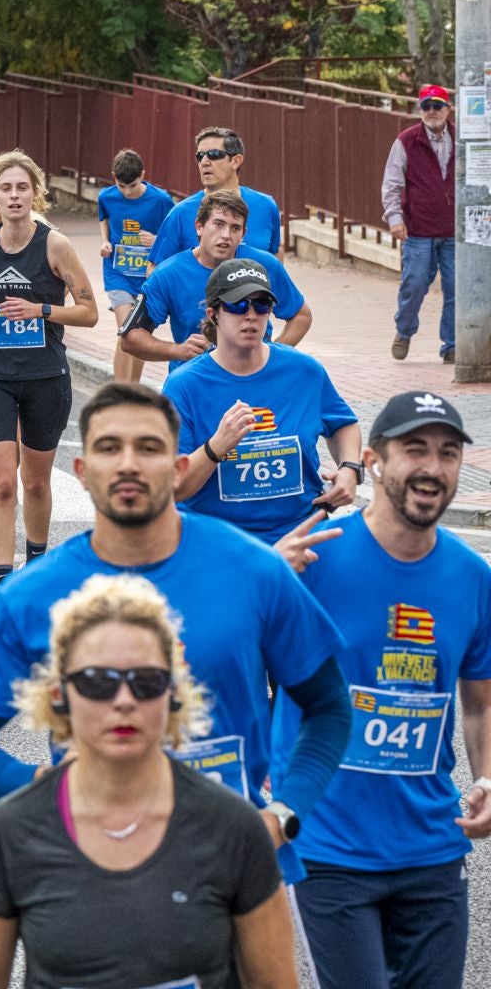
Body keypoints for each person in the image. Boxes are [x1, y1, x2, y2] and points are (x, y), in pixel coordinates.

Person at [0, 382, 354, 874]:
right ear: (82, 471)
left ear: (179, 468)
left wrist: (283, 815)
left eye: (149, 448)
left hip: (235, 867)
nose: (129, 464)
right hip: (97, 871)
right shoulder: (30, 596)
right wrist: (48, 787)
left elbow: (329, 709)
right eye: (109, 448)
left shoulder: (255, 570)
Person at [0, 572, 296, 989]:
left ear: (173, 695)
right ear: (59, 695)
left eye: (146, 681)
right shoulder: (11, 832)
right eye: (97, 682)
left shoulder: (234, 827)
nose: (124, 701)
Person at [272, 389, 491, 989]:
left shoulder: (473, 578)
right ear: (372, 461)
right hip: (328, 849)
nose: (432, 467)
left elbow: (480, 703)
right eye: (414, 449)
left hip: (433, 849)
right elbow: (220, 655)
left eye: (448, 453)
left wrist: (487, 779)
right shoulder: (312, 560)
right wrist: (265, 581)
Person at [0, 152, 99, 584]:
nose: (14, 196)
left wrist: (42, 309)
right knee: (1, 484)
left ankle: (34, 567)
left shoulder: (55, 245)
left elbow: (89, 312)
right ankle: (3, 587)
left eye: (22, 188)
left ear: (36, 194)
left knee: (34, 483)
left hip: (44, 377)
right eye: (6, 188)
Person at [161, 258, 361, 545]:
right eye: (237, 305)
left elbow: (343, 424)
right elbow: (174, 486)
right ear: (214, 314)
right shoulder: (184, 385)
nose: (251, 315)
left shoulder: (304, 371)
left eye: (262, 305)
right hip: (220, 543)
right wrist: (216, 447)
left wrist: (350, 468)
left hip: (301, 533)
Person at [118, 189, 310, 373]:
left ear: (243, 234)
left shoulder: (264, 265)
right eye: (218, 224)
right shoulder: (168, 273)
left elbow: (301, 315)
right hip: (194, 382)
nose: (226, 235)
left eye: (235, 228)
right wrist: (178, 351)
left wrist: (272, 357)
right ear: (199, 226)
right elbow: (131, 337)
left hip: (254, 382)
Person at [384, 83, 457, 363]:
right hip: (418, 229)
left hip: (453, 230)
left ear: (448, 109)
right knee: (414, 284)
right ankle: (404, 330)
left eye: (437, 106)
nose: (431, 111)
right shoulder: (406, 141)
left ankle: (452, 344)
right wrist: (395, 218)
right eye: (426, 106)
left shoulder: (462, 139)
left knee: (456, 288)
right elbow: (391, 184)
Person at [95, 148, 176, 383]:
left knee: (140, 335)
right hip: (117, 272)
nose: (127, 192)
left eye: (132, 185)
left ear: (143, 175)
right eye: (122, 186)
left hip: (148, 275)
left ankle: (133, 387)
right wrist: (105, 241)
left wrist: (156, 240)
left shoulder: (161, 200)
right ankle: (121, 391)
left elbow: (174, 233)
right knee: (127, 331)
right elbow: (104, 220)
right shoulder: (106, 197)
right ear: (114, 177)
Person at [148, 125, 284, 261]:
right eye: (200, 156)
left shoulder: (266, 206)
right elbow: (155, 267)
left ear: (236, 161)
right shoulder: (181, 213)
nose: (204, 162)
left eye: (214, 154)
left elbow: (275, 252)